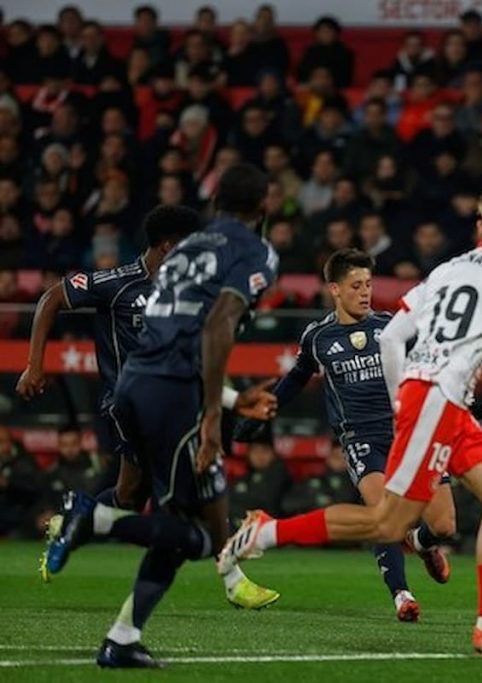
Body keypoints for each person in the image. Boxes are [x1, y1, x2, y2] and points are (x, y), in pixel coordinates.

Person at [221, 184, 482, 659]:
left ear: (480, 226)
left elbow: (393, 340)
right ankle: (265, 531)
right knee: (387, 523)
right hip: (433, 402)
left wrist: (399, 401)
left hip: (436, 401)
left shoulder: (448, 270)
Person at [42, 164, 281, 668]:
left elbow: (170, 335)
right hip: (176, 398)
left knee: (181, 527)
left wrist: (233, 401)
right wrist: (216, 415)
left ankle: (123, 638)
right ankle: (94, 518)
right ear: (264, 206)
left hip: (136, 386)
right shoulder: (256, 251)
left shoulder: (186, 250)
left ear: (216, 204)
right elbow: (217, 328)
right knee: (204, 533)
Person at [234, 249, 458, 621]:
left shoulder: (392, 326)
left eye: (369, 284)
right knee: (383, 513)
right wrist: (264, 412)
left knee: (445, 526)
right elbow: (295, 380)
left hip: (409, 430)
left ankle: (422, 542)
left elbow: (432, 366)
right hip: (361, 437)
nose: (365, 292)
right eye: (356, 286)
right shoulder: (318, 337)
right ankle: (402, 594)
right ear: (334, 289)